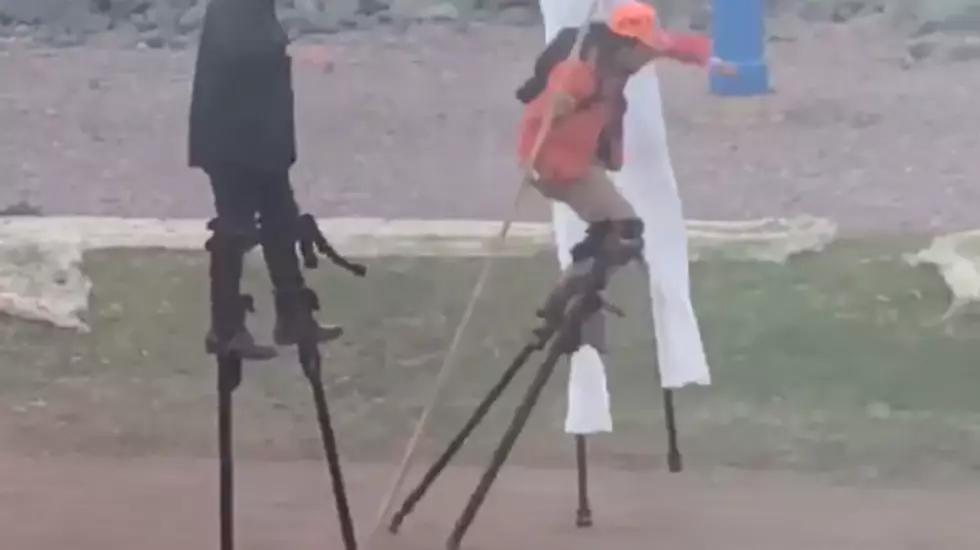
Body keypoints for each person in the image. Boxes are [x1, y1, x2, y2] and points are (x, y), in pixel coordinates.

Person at [516, 1, 734, 352]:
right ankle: (573, 302)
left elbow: (675, 45)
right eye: (645, 51)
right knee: (624, 228)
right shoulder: (578, 72)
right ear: (626, 45)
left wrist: (710, 59)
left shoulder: (619, 58)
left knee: (612, 232)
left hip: (581, 161)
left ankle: (577, 303)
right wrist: (550, 115)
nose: (650, 57)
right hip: (557, 165)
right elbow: (538, 116)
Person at [189, 0, 340, 360]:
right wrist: (297, 54)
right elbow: (242, 51)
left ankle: (293, 315)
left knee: (281, 220)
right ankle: (225, 329)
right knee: (235, 228)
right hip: (232, 137)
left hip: (258, 137)